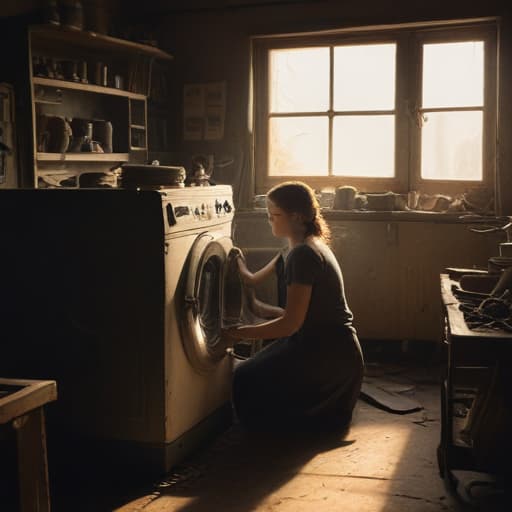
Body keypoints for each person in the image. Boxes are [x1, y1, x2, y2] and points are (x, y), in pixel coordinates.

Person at [224, 181, 364, 432]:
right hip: (324, 344)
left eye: (274, 215)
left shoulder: (303, 255)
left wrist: (238, 333)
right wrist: (237, 261)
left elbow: (291, 323)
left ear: (296, 217)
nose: (269, 220)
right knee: (250, 372)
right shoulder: (293, 248)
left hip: (328, 353)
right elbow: (252, 279)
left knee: (244, 377)